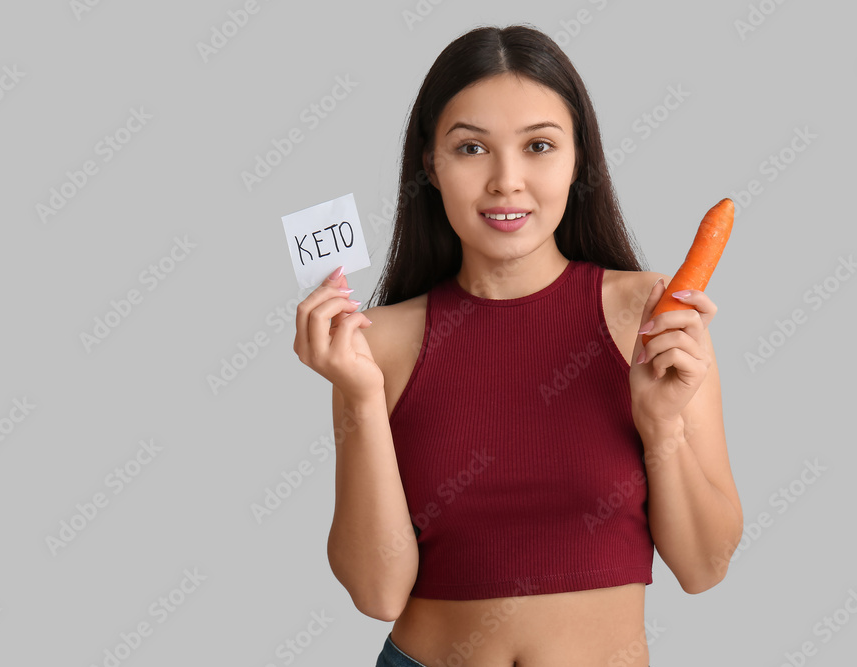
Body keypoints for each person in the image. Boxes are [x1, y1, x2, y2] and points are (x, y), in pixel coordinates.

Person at [293, 23, 743, 667]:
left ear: (578, 159)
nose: (506, 180)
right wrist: (361, 397)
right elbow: (377, 592)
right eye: (471, 149)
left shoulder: (653, 316)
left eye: (538, 145)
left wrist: (662, 425)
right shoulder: (374, 343)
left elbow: (705, 567)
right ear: (431, 165)